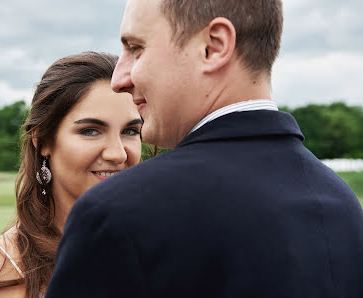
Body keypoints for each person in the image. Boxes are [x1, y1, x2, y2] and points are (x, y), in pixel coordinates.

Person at [46, 0, 363, 297]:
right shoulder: (342, 204)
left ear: (214, 47)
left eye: (136, 49)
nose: (120, 78)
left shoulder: (117, 213)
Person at [0, 52, 143, 298]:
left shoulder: (165, 253)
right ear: (43, 141)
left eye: (131, 130)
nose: (118, 154)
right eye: (90, 131)